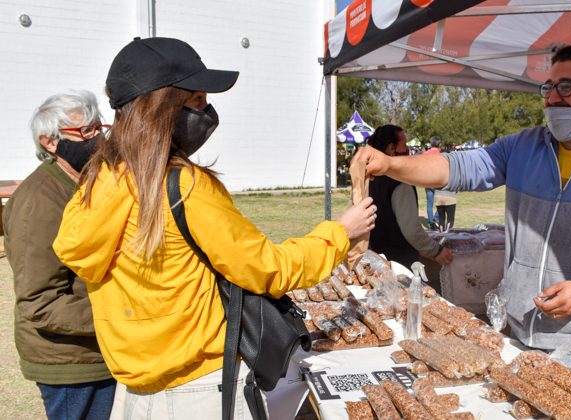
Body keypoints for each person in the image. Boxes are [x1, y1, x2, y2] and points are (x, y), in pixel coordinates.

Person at [52, 37, 376, 419]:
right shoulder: (183, 186)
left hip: (136, 393)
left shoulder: (98, 182)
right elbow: (268, 268)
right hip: (201, 389)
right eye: (198, 101)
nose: (207, 112)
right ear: (162, 108)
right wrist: (340, 231)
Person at [353, 44, 571, 385]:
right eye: (549, 87)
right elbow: (459, 167)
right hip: (521, 325)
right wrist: (391, 164)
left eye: (566, 87)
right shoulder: (526, 146)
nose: (553, 98)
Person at [2, 90, 116, 419]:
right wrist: (119, 314)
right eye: (86, 132)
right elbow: (40, 301)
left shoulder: (87, 184)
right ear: (50, 142)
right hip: (71, 365)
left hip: (101, 352)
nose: (98, 139)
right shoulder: (38, 202)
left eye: (100, 129)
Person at [367, 125, 453, 268]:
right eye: (404, 145)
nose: (407, 150)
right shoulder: (399, 181)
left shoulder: (369, 177)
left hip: (376, 259)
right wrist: (436, 251)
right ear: (391, 148)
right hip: (400, 263)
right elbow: (411, 230)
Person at [423, 136, 442, 229]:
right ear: (440, 144)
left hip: (427, 181)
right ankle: (436, 219)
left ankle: (431, 222)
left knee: (429, 204)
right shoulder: (441, 155)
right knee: (441, 203)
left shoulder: (425, 154)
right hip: (437, 182)